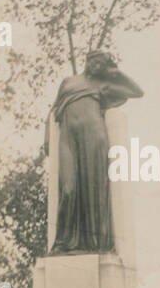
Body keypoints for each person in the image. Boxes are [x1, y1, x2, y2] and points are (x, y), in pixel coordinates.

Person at [49, 50, 144, 254]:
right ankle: (63, 243)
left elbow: (137, 92)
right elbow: (54, 110)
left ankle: (93, 244)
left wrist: (116, 73)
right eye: (93, 61)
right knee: (68, 188)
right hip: (68, 137)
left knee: (94, 189)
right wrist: (47, 140)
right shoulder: (68, 82)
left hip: (94, 136)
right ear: (87, 61)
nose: (95, 66)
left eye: (101, 64)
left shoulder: (103, 85)